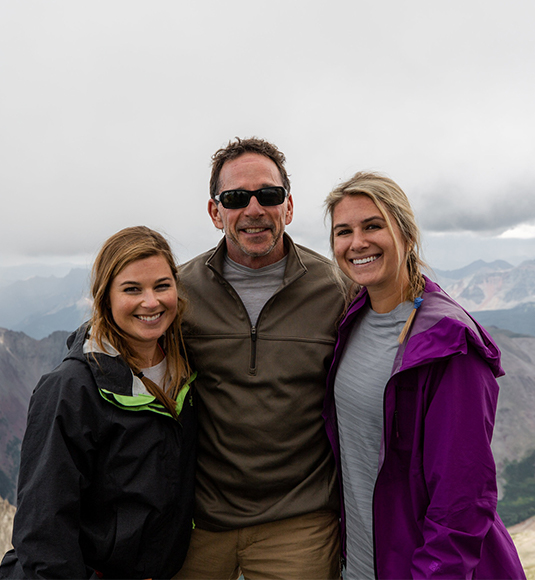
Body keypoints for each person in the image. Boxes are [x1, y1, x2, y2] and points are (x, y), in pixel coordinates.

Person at [322, 172, 526, 579]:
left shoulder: (449, 342)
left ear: (407, 234)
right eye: (343, 231)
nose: (357, 242)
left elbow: (463, 496)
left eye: (373, 225)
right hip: (360, 564)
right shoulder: (354, 317)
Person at [175, 137, 345, 580]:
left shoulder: (337, 291)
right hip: (199, 519)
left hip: (300, 521)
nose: (253, 209)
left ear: (288, 207)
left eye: (268, 195)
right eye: (235, 198)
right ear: (215, 212)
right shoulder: (179, 291)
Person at [0, 226, 196, 579]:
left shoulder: (185, 373)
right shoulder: (70, 390)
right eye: (132, 289)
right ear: (105, 298)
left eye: (162, 286)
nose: (150, 302)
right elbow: (44, 531)